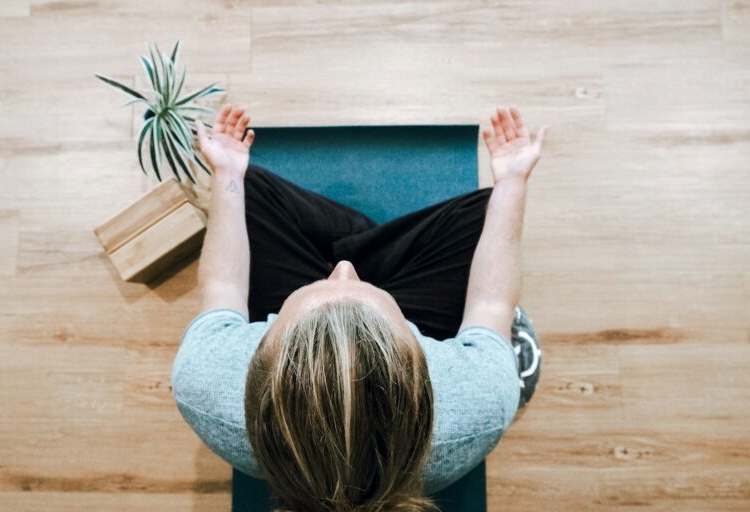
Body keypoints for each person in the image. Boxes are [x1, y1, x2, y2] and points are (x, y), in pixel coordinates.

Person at [171, 105, 548, 512]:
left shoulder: (206, 381)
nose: (343, 271)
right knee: (484, 213)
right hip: (438, 328)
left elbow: (222, 285)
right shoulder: (476, 404)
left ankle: (361, 238)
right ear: (422, 361)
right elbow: (491, 303)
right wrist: (511, 182)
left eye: (327, 283)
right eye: (362, 288)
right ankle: (374, 243)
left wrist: (226, 173)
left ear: (257, 353)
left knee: (250, 188)